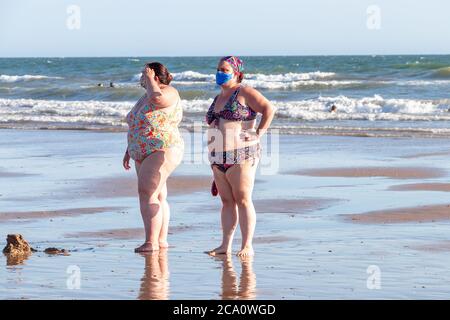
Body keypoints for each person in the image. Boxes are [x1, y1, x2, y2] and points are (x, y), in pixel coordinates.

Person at [206, 56, 275, 257]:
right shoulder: (218, 97)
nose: (220, 72)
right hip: (218, 158)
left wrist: (259, 132)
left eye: (224, 69)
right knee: (227, 202)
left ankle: (247, 245)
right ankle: (224, 245)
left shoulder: (244, 92)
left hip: (242, 155)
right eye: (218, 69)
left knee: (243, 199)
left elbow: (269, 109)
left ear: (237, 73)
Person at [123, 62, 184, 253]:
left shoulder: (169, 91)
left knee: (147, 192)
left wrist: (150, 80)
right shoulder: (145, 96)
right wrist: (129, 149)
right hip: (141, 150)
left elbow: (158, 100)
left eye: (145, 74)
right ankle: (161, 240)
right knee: (157, 195)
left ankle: (151, 242)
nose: (141, 78)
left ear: (155, 77)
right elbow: (138, 123)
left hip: (162, 148)